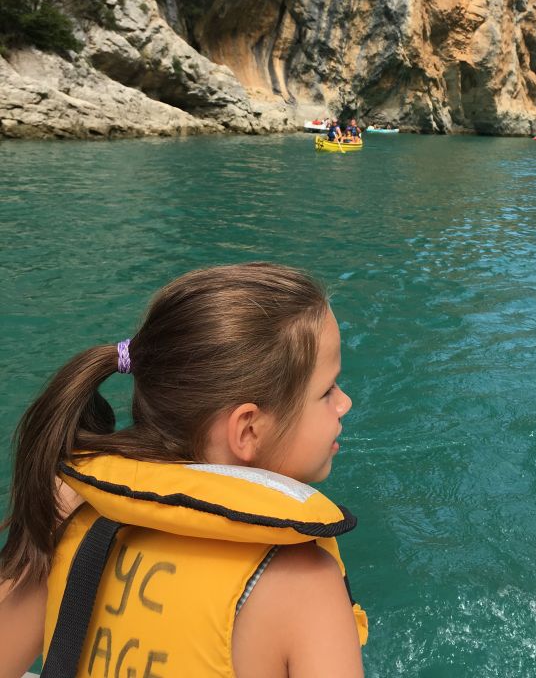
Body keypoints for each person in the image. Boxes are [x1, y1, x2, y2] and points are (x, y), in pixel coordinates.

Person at [0, 263, 367, 677]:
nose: (344, 403)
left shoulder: (73, 512)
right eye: (327, 391)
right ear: (248, 429)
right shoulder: (306, 583)